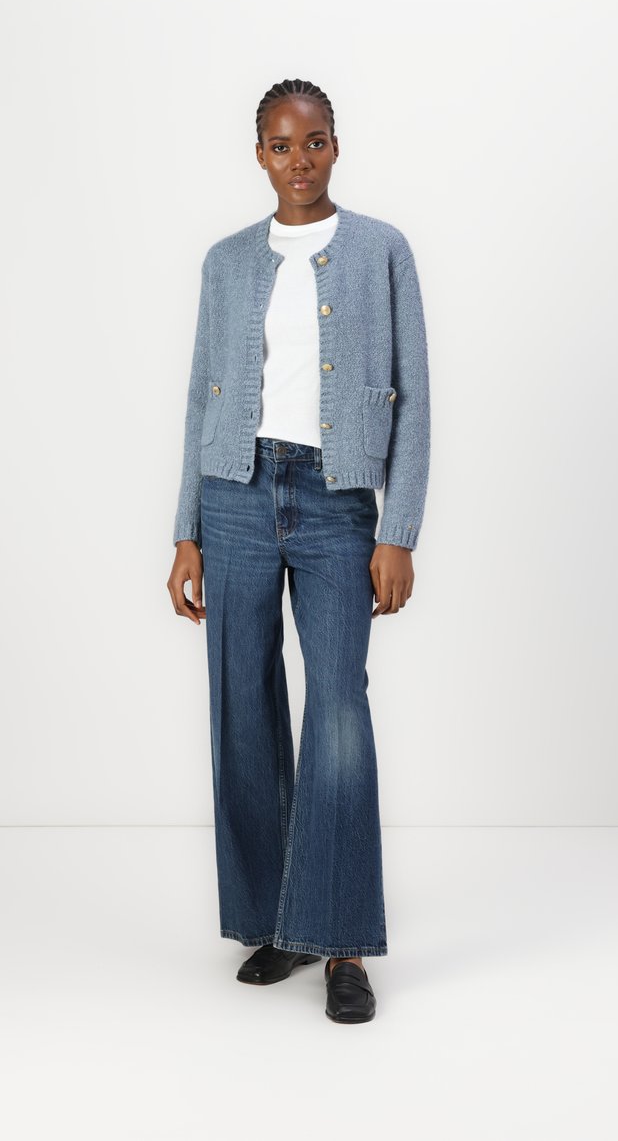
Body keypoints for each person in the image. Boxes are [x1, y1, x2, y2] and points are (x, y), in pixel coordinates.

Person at [167, 78, 431, 1024]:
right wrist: (186, 529)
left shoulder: (382, 250)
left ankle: (343, 939)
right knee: (242, 704)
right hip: (234, 495)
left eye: (314, 141)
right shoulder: (226, 261)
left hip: (335, 503)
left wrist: (397, 530)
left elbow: (416, 398)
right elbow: (202, 395)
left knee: (339, 711)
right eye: (281, 146)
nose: (299, 160)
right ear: (260, 155)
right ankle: (281, 917)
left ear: (335, 145)